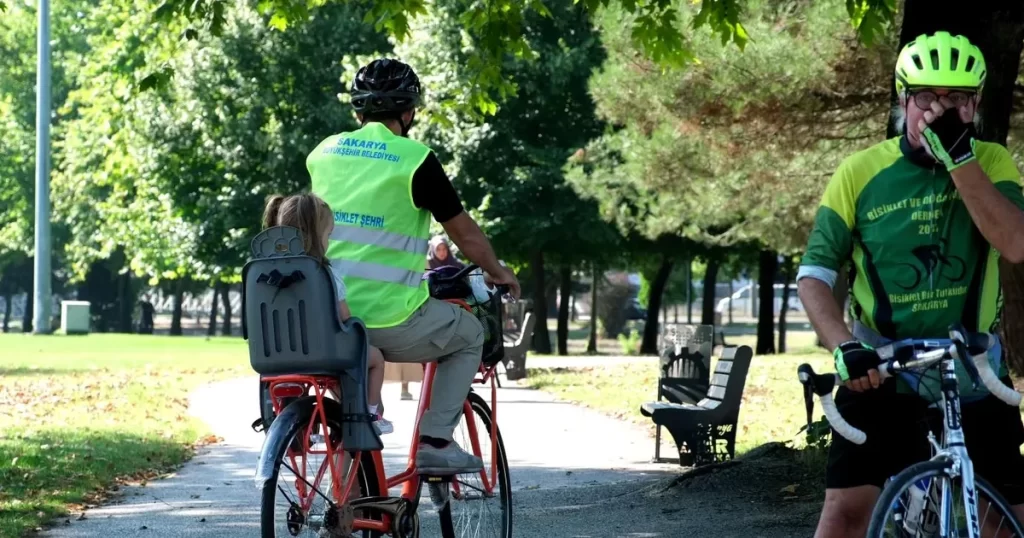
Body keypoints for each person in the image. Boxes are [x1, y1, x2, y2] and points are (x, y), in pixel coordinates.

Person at [798, 31, 1024, 537]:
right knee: (845, 515)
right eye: (927, 97)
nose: (940, 111)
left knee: (1006, 523)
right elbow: (815, 275)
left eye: (957, 99)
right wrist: (843, 346)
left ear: (976, 104)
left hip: (973, 372)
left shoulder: (991, 162)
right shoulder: (859, 172)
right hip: (881, 370)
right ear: (903, 100)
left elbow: (1014, 244)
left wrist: (959, 159)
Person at [307, 58, 521, 476]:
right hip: (392, 319)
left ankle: (348, 509)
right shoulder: (416, 159)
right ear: (409, 112)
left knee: (354, 413)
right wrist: (497, 270)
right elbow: (464, 233)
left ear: (358, 112)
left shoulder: (323, 153)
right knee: (469, 335)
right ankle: (436, 441)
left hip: (328, 318)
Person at [262, 193, 393, 435]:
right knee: (375, 359)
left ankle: (300, 428)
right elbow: (345, 319)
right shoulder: (324, 273)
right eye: (328, 235)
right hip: (324, 354)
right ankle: (372, 414)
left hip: (275, 356)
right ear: (315, 235)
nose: (329, 241)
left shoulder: (264, 274)